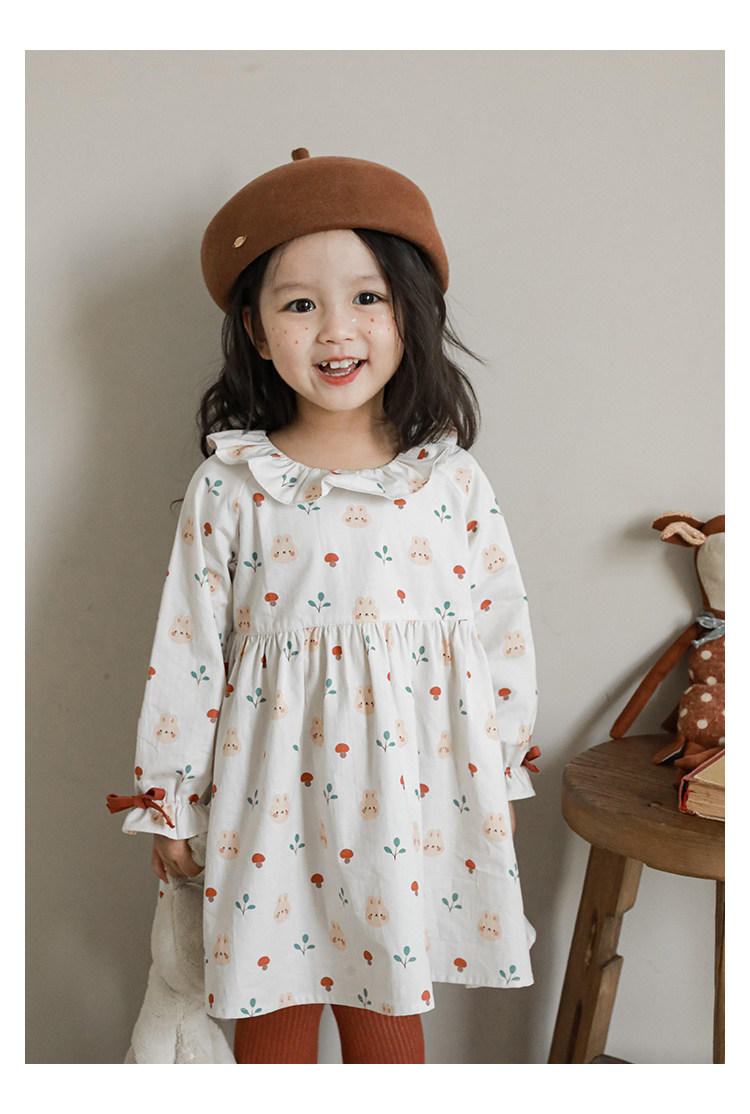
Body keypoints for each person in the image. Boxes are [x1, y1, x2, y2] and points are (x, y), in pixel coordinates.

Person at [115, 149, 539, 1064]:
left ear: (410, 313)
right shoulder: (233, 485)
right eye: (300, 304)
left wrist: (499, 764)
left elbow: (499, 627)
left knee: (389, 1013)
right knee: (273, 1011)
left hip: (412, 798)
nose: (336, 330)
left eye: (368, 297)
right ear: (257, 330)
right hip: (270, 801)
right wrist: (171, 795)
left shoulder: (448, 481)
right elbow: (188, 647)